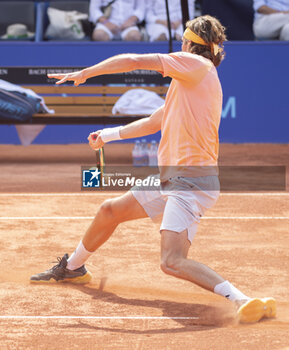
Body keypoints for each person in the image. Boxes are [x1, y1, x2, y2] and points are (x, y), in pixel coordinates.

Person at [30, 15, 276, 324]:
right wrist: (107, 136)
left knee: (171, 261)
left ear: (190, 44)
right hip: (172, 178)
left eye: (184, 41)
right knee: (110, 211)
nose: (181, 46)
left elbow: (133, 59)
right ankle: (73, 267)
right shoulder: (189, 83)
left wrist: (88, 72)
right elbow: (153, 122)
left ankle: (244, 300)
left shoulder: (196, 66)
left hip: (190, 182)